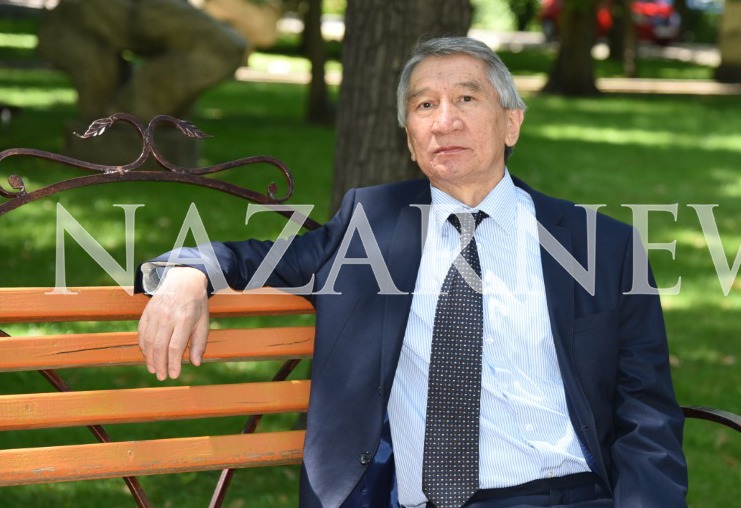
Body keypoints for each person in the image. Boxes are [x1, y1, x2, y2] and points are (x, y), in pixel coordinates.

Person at [136, 36, 687, 508]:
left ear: (511, 123)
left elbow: (646, 414)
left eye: (467, 98)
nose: (445, 121)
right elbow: (252, 257)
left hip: (564, 494)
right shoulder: (370, 226)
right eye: (425, 106)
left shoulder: (599, 246)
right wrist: (188, 273)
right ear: (409, 138)